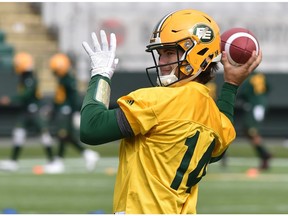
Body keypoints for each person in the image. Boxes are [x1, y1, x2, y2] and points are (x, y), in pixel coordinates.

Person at [80, 9, 262, 214]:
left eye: (169, 52)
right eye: (160, 54)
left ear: (196, 53)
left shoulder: (158, 100)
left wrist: (100, 75)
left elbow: (91, 128)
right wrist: (231, 85)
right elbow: (221, 142)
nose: (161, 62)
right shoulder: (212, 114)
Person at [0, 52, 54, 172]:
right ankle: (13, 161)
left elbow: (27, 94)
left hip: (34, 109)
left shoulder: (29, 78)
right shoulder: (24, 77)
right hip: (26, 111)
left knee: (44, 135)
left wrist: (11, 99)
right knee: (18, 133)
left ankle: (52, 161)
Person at [47, 53, 100, 173]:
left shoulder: (68, 79)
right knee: (67, 136)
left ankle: (59, 161)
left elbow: (74, 98)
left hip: (67, 111)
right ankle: (88, 154)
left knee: (62, 134)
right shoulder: (63, 79)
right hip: (63, 110)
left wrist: (76, 112)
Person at [238, 70, 272, 170]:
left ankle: (265, 153)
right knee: (248, 131)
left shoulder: (249, 78)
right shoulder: (261, 76)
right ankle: (264, 156)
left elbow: (242, 93)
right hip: (261, 105)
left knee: (251, 131)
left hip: (253, 106)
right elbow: (268, 88)